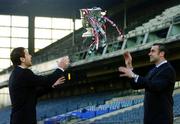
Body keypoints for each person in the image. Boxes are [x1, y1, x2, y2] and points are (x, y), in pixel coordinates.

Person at [9, 47, 70, 124]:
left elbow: (34, 94)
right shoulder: (23, 73)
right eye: (27, 54)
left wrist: (52, 85)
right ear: (22, 59)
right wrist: (60, 68)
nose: (31, 56)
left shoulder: (16, 74)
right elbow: (45, 80)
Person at [118, 43, 176, 124]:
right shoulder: (152, 71)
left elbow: (155, 86)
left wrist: (134, 75)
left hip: (162, 119)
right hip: (150, 119)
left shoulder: (168, 70)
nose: (149, 54)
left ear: (161, 54)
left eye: (152, 51)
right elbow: (136, 85)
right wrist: (129, 66)